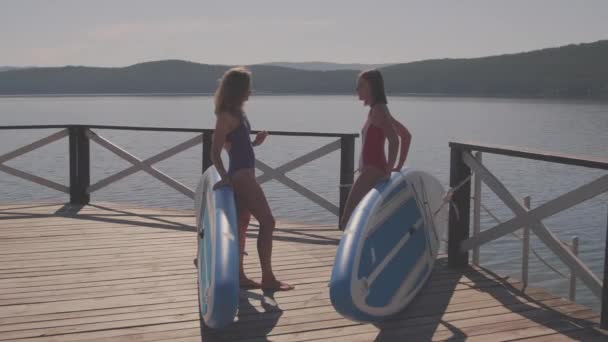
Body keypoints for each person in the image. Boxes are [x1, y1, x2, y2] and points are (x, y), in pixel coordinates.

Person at [211, 67, 294, 291]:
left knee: (242, 225)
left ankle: (239, 275)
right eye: (248, 87)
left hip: (245, 173)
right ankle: (268, 277)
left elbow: (239, 145)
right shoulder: (225, 116)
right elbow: (215, 151)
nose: (251, 91)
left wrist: (256, 142)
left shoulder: (239, 114)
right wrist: (225, 177)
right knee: (268, 222)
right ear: (238, 89)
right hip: (241, 176)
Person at [340, 70, 412, 230]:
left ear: (372, 87)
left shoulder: (378, 110)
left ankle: (355, 255)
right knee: (363, 221)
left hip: (371, 172)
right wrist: (396, 166)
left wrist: (389, 170)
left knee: (347, 220)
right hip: (373, 170)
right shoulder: (379, 109)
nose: (357, 89)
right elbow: (406, 136)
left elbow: (394, 140)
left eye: (361, 85)